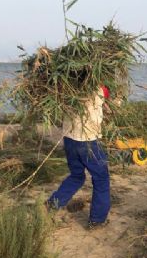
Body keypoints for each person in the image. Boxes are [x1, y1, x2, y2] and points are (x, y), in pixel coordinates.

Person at [47, 85, 111, 228]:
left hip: (69, 139)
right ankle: (97, 220)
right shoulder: (99, 88)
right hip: (88, 141)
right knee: (101, 178)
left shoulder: (65, 86)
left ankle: (53, 204)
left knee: (77, 176)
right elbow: (108, 99)